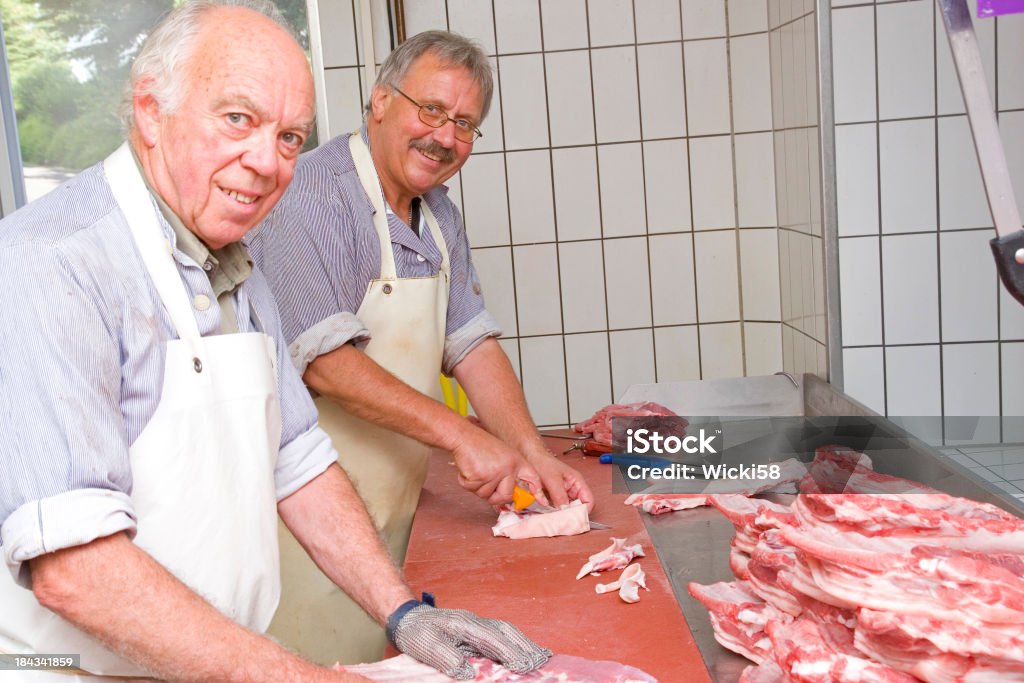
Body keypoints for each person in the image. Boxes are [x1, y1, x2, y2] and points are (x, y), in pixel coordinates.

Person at [0, 4, 550, 681]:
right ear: (150, 110)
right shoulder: (48, 264)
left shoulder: (231, 261)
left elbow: (300, 458)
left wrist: (403, 612)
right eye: (238, 119)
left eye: (289, 137)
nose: (266, 162)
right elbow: (74, 570)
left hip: (205, 659)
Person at [250, 30, 595, 665]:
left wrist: (531, 454)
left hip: (395, 507)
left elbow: (472, 344)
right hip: (305, 524)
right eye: (430, 110)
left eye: (465, 123)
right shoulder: (312, 198)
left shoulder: (437, 214)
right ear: (379, 101)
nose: (445, 136)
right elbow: (326, 365)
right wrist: (464, 438)